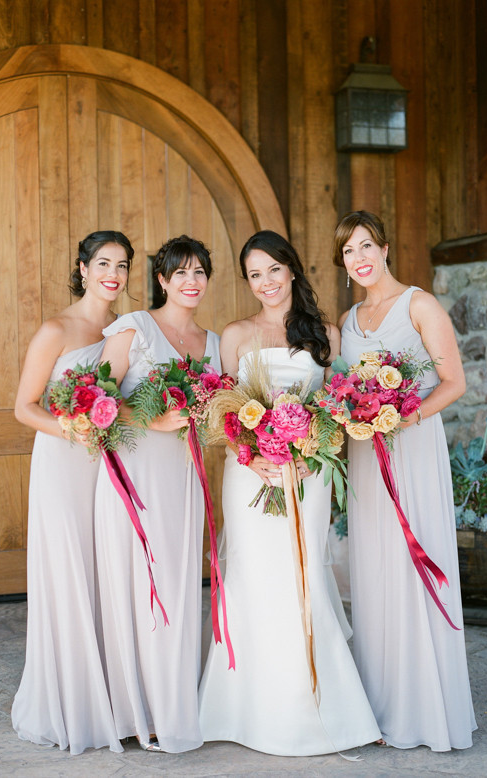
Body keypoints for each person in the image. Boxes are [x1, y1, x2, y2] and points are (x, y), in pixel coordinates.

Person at [199, 230, 381, 756]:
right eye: (255, 275)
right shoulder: (234, 334)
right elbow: (226, 414)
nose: (266, 283)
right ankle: (244, 710)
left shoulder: (326, 333)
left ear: (292, 270)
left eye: (273, 270)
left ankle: (314, 708)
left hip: (308, 475)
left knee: (302, 577)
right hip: (250, 473)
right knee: (256, 577)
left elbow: (338, 410)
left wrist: (309, 456)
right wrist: (253, 457)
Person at [334, 210, 477, 751]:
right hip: (369, 462)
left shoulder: (419, 304)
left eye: (367, 245)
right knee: (374, 571)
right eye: (349, 251)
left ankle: (425, 709)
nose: (360, 258)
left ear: (386, 248)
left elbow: (453, 382)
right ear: (343, 262)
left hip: (411, 451)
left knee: (413, 565)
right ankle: (383, 702)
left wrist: (399, 416)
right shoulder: (349, 320)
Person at [93, 235, 220, 754]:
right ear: (162, 280)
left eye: (200, 273)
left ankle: (173, 702)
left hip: (183, 477)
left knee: (178, 584)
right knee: (136, 582)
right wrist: (151, 414)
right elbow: (96, 397)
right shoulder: (135, 328)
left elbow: (213, 413)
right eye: (180, 273)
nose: (191, 282)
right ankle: (134, 709)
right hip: (135, 474)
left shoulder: (211, 342)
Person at [12, 230, 133, 754]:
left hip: (112, 465)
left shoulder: (129, 329)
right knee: (71, 571)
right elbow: (25, 407)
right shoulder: (56, 329)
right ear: (82, 268)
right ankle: (70, 702)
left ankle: (113, 697)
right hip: (65, 464)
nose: (113, 272)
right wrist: (75, 429)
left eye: (123, 264)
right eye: (103, 262)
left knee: (108, 572)